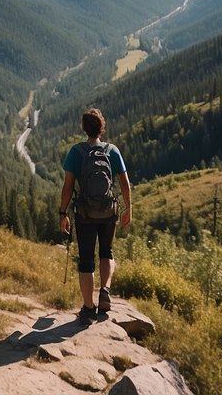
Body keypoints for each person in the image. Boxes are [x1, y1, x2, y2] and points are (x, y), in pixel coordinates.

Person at [59, 107, 131, 324]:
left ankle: (88, 309)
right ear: (102, 127)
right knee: (107, 252)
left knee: (86, 261)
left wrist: (63, 213)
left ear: (84, 128)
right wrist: (128, 208)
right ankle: (105, 290)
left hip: (85, 213)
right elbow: (124, 183)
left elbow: (68, 187)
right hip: (109, 211)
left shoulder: (76, 152)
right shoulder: (112, 151)